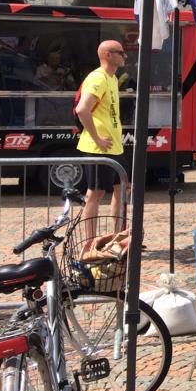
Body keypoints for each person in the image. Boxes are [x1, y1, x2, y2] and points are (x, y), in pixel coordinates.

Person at [75, 40, 130, 256]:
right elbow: (82, 109)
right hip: (99, 148)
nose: (125, 56)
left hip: (114, 147)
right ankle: (88, 243)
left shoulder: (112, 78)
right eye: (121, 52)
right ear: (108, 55)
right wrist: (97, 138)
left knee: (123, 188)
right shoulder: (98, 78)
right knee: (95, 193)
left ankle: (117, 236)